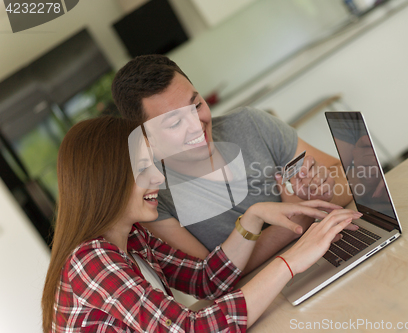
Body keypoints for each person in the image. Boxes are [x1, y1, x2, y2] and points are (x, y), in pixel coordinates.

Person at [41, 116, 360, 332]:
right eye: (142, 169)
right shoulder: (91, 260)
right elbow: (192, 329)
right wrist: (290, 262)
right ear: (106, 181)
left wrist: (254, 216)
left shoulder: (134, 239)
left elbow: (206, 280)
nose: (157, 178)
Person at [112, 55, 353, 273]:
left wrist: (323, 189)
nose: (197, 125)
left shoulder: (250, 123)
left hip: (330, 257)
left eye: (196, 105)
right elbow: (213, 275)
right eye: (174, 123)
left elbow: (350, 178)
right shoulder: (152, 193)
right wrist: (301, 214)